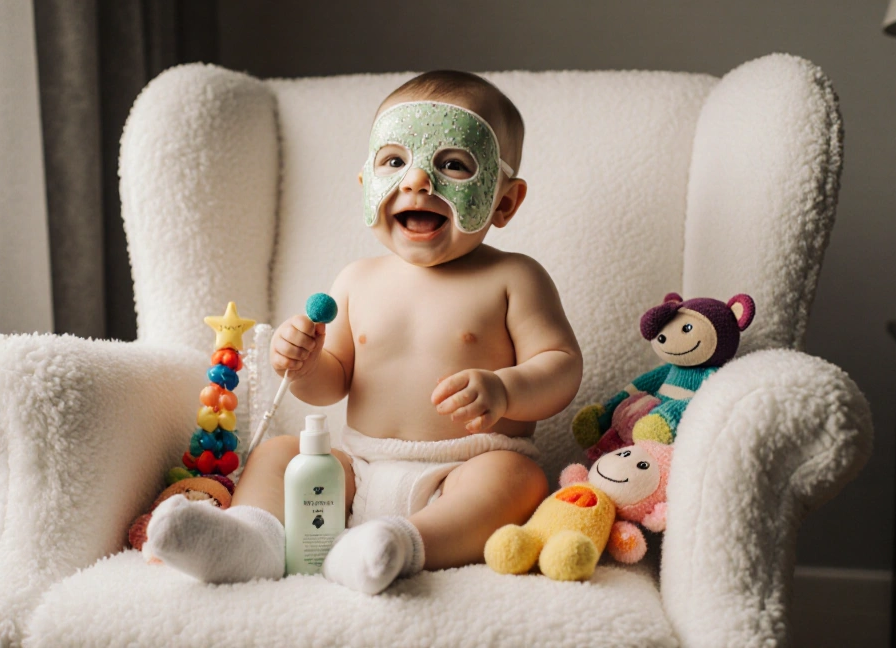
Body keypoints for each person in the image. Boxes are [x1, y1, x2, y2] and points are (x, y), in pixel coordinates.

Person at [144, 70, 582, 595]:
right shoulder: (356, 280)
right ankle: (251, 539)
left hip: (464, 470)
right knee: (282, 453)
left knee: (518, 480)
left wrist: (507, 389)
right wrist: (303, 366)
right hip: (357, 469)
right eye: (395, 161)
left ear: (505, 201)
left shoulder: (513, 277)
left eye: (453, 165)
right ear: (365, 184)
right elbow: (333, 383)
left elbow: (560, 365)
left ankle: (401, 544)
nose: (417, 181)